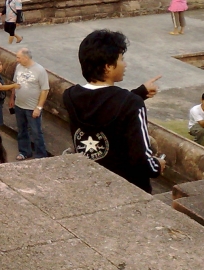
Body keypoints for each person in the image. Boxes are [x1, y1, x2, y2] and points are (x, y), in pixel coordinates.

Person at [62, 30, 163, 193]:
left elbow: (101, 105)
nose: (125, 64)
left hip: (91, 183)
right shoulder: (131, 104)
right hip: (127, 189)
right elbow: (142, 161)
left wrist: (139, 93)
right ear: (108, 67)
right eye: (121, 59)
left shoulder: (70, 96)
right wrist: (157, 166)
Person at [10, 47, 50, 160]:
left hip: (32, 107)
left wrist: (39, 107)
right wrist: (12, 98)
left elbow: (45, 90)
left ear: (26, 58)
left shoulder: (40, 70)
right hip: (19, 105)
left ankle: (40, 155)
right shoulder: (18, 67)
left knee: (36, 132)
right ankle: (24, 151)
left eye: (18, 57)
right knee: (22, 130)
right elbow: (15, 83)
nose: (17, 60)